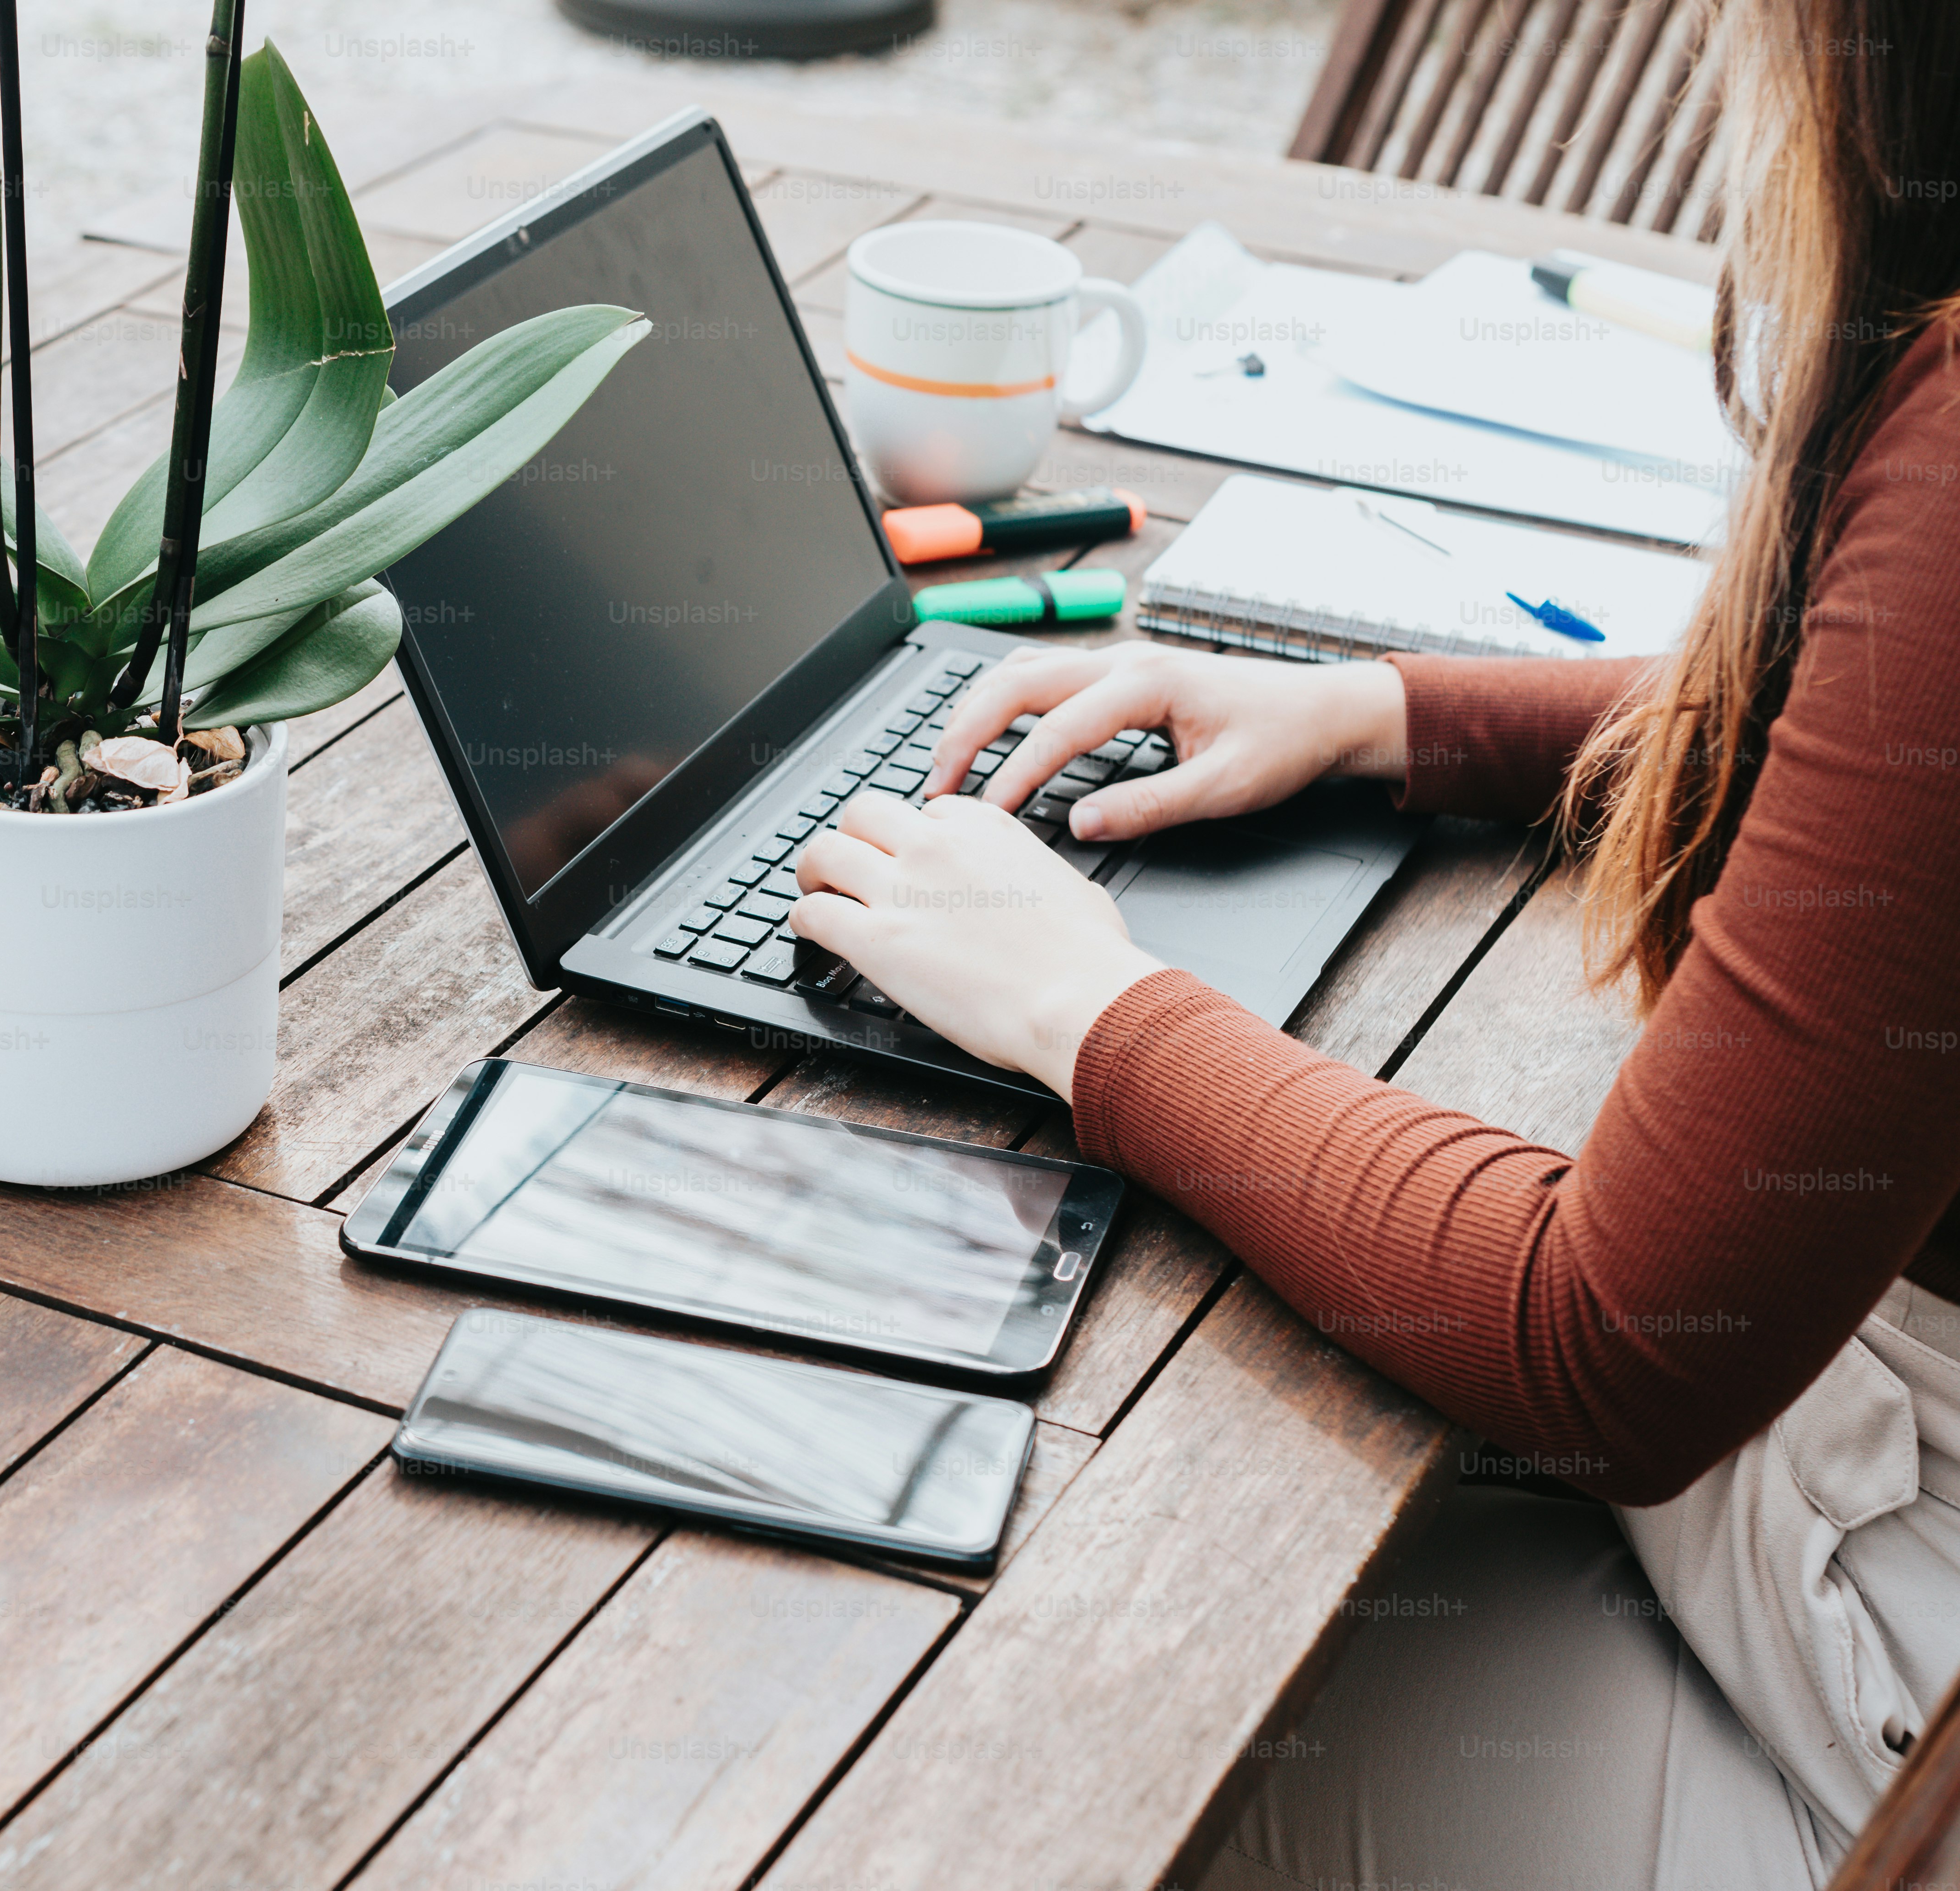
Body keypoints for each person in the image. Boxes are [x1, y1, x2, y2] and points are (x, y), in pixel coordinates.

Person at [789, 3, 1960, 1885]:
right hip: (1835, 1464)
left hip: (1886, 1653)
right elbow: (1876, 743)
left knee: (1051, 1775)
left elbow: (1616, 1347)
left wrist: (1083, 1006)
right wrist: (1388, 717)